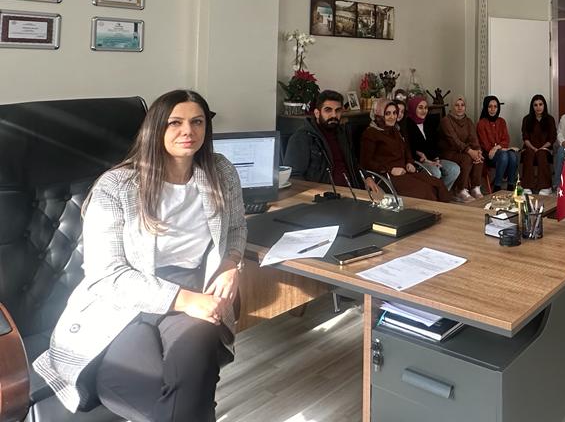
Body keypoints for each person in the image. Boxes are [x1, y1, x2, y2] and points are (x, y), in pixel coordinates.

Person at [34, 90, 245, 421]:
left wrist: (231, 264)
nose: (188, 131)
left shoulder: (220, 172)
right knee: (125, 385)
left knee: (193, 371)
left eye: (197, 122)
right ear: (155, 128)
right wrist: (185, 300)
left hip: (193, 289)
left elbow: (235, 228)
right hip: (124, 300)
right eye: (175, 123)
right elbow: (106, 275)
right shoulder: (116, 186)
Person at [360, 100, 449, 202]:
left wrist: (409, 162)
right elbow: (366, 162)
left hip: (404, 172)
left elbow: (406, 150)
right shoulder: (370, 134)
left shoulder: (395, 130)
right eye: (387, 113)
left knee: (437, 184)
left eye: (394, 113)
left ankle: (445, 211)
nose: (392, 117)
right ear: (379, 115)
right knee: (425, 191)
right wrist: (390, 169)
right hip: (387, 176)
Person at [283, 90, 358, 187]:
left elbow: (353, 164)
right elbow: (294, 176)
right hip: (324, 193)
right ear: (317, 113)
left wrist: (366, 177)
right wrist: (314, 193)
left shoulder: (342, 133)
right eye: (328, 110)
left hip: (354, 190)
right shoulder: (303, 137)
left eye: (338, 110)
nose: (334, 115)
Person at [401, 95, 460, 190]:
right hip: (418, 162)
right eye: (420, 108)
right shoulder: (406, 125)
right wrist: (428, 161)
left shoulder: (429, 122)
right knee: (436, 172)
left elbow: (435, 143)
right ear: (413, 108)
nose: (424, 111)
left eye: (425, 108)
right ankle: (434, 195)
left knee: (454, 169)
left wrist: (436, 159)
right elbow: (411, 149)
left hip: (433, 158)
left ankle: (441, 193)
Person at [439, 96, 487, 200]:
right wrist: (470, 151)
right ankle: (460, 190)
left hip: (464, 151)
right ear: (452, 107)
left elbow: (474, 139)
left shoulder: (468, 121)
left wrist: (478, 151)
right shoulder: (446, 120)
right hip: (449, 152)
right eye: (457, 105)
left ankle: (475, 188)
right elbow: (454, 141)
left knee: (479, 157)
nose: (460, 108)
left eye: (462, 105)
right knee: (467, 158)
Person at [477, 95, 518, 192]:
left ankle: (510, 185)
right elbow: (485, 145)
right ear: (486, 107)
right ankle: (497, 186)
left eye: (495, 106)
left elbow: (506, 140)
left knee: (512, 155)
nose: (492, 109)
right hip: (488, 156)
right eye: (490, 106)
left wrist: (496, 148)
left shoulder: (502, 121)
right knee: (504, 155)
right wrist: (499, 148)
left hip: (499, 152)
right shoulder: (481, 123)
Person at [520, 94, 557, 194]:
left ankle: (546, 187)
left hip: (545, 149)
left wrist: (541, 148)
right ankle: (526, 186)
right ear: (532, 107)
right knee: (529, 153)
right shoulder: (526, 119)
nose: (538, 107)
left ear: (544, 105)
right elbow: (525, 138)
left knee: (541, 154)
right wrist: (533, 148)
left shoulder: (550, 119)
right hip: (529, 148)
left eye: (540, 104)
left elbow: (552, 138)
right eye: (535, 105)